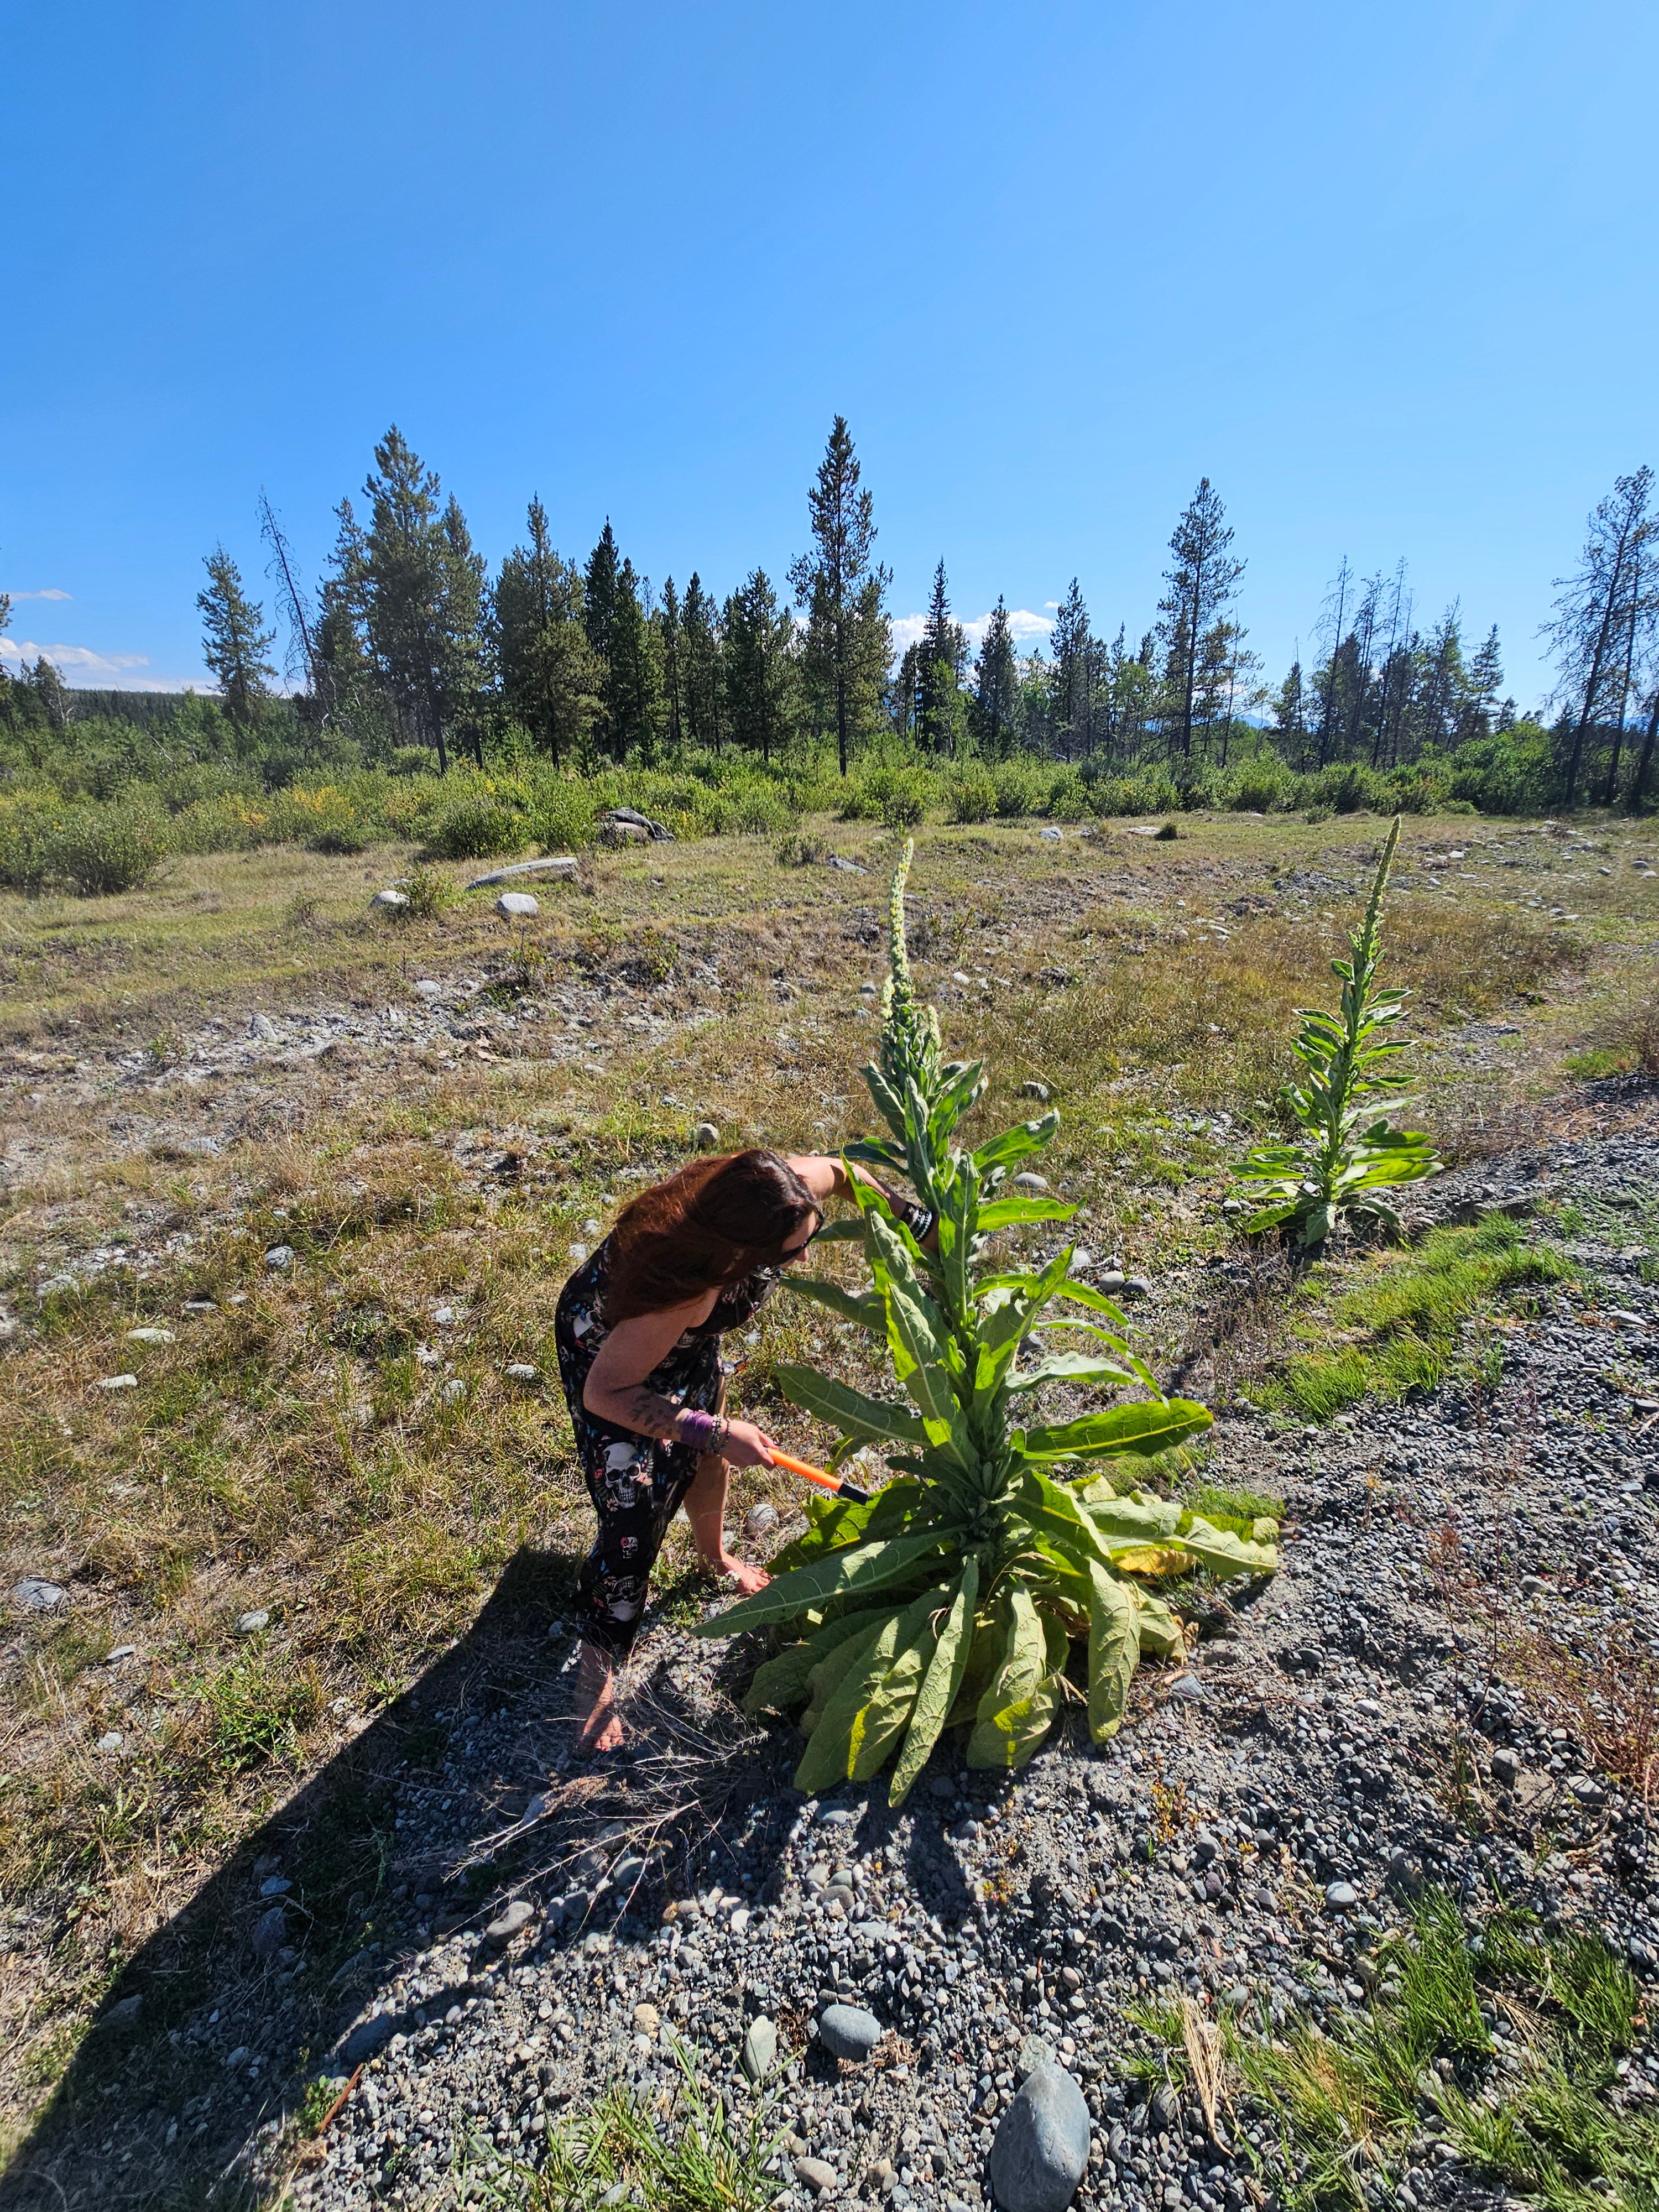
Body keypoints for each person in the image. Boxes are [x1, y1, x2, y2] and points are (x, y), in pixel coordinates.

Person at [554, 1147, 935, 1754]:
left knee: (704, 1449)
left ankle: (715, 1554)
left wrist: (913, 1223)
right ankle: (597, 1667)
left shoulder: (773, 1193)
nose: (805, 1254)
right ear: (740, 1255)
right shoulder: (684, 1291)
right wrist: (709, 1429)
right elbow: (607, 1392)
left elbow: (839, 1172)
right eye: (792, 1252)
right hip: (610, 1357)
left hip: (680, 1342)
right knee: (634, 1510)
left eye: (810, 1234)